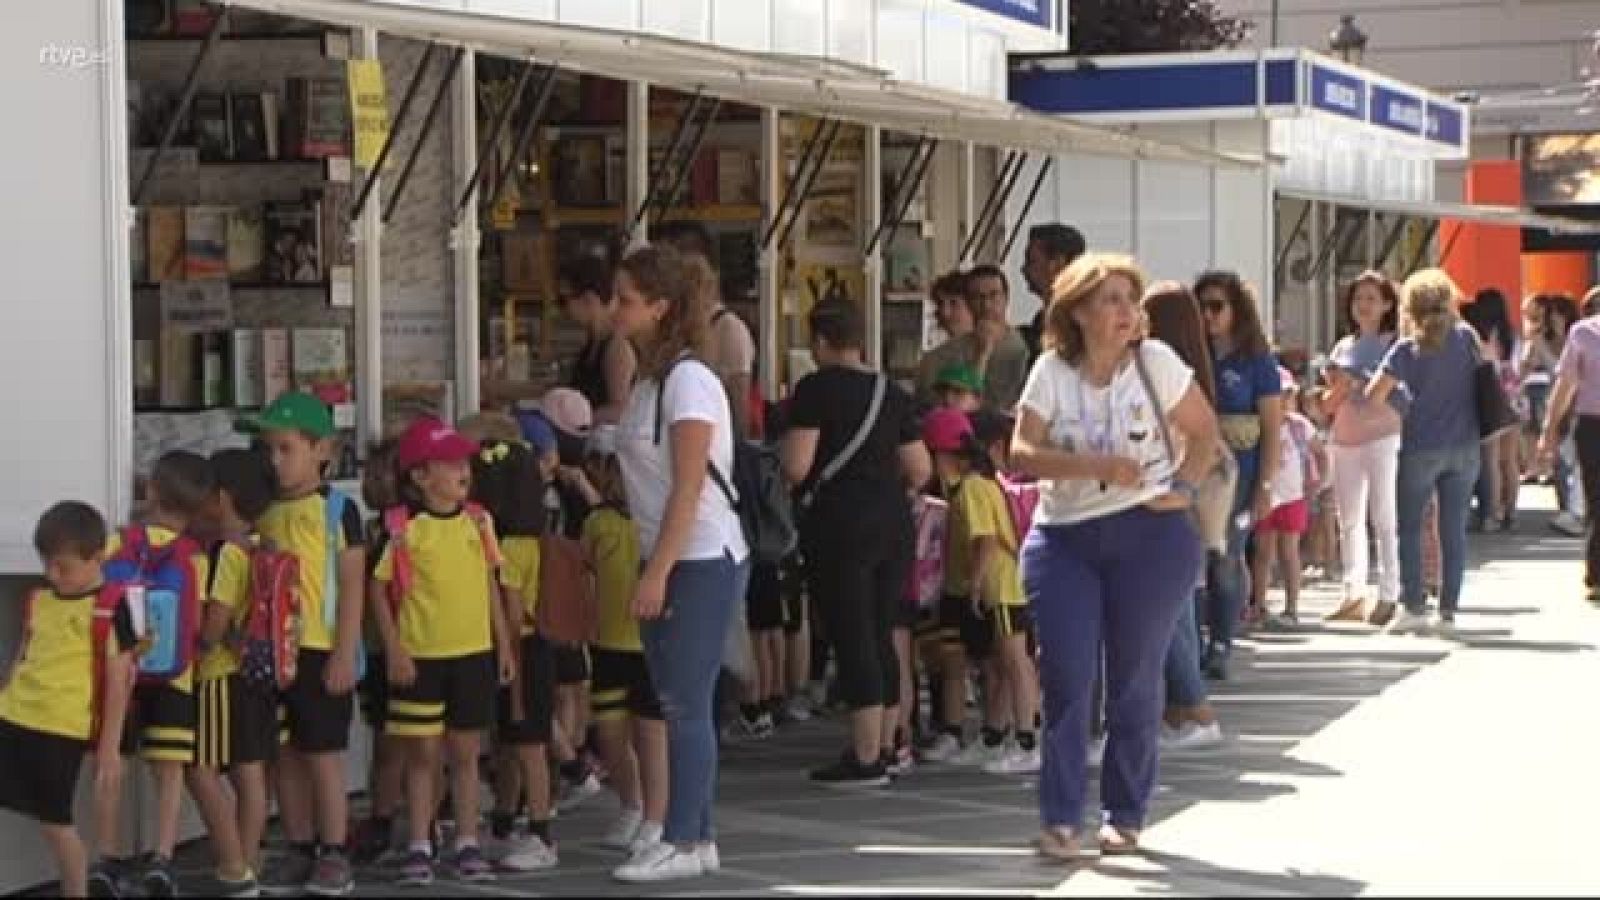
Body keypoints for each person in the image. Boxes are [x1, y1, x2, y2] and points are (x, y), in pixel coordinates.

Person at [1013, 253, 1217, 860]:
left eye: (1132, 299)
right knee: (1069, 677)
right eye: (1111, 300)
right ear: (1077, 312)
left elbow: (1204, 433)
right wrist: (1094, 467)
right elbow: (1021, 452)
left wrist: (1181, 490)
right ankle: (1059, 820)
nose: (1128, 312)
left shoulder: (1156, 363)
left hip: (1150, 537)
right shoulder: (1051, 370)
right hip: (1065, 537)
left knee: (1134, 677)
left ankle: (1123, 815)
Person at [609, 244, 749, 883]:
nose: (617, 311)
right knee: (675, 700)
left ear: (660, 307)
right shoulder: (647, 378)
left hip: (697, 555)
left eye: (627, 300)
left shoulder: (689, 380)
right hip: (669, 552)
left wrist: (657, 571)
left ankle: (684, 838)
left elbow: (689, 487)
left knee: (685, 704)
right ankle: (697, 833)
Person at [783, 298, 930, 786]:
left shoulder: (814, 390)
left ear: (821, 342)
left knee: (852, 633)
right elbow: (921, 468)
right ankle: (887, 743)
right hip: (892, 520)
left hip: (840, 523)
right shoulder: (891, 392)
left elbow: (797, 466)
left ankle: (864, 755)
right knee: (883, 628)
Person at [371, 417, 516, 886]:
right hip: (421, 656)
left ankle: (468, 841)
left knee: (467, 752)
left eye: (463, 462)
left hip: (472, 653)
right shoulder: (403, 530)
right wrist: (394, 648)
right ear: (419, 476)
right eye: (448, 463)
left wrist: (504, 642)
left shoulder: (479, 521)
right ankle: (418, 841)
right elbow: (378, 589)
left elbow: (490, 583)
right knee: (422, 755)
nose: (462, 471)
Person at [244, 391, 366, 896]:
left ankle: (334, 849)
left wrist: (344, 651)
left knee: (323, 754)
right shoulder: (265, 511)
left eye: (286, 448)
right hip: (274, 651)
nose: (275, 460)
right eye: (268, 449)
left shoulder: (338, 509)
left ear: (322, 450)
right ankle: (298, 845)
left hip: (320, 648)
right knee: (286, 752)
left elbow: (354, 582)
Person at [91, 452, 213, 899]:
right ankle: (162, 856)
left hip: (119, 672)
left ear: (151, 491)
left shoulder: (115, 544)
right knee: (170, 770)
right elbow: (195, 622)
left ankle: (106, 856)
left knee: (114, 762)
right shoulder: (193, 558)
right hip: (175, 677)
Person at [2, 503, 137, 899]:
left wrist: (110, 747)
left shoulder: (112, 608)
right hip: (13, 714)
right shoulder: (39, 600)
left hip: (60, 729)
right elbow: (22, 656)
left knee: (53, 820)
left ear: (96, 558)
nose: (50, 574)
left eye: (62, 567)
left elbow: (119, 681)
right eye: (46, 564)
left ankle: (75, 890)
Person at [558, 439, 669, 856]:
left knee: (651, 734)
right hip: (607, 645)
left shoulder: (659, 522)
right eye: (619, 475)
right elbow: (583, 574)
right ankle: (631, 805)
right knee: (610, 732)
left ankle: (656, 816)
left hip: (650, 646)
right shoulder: (597, 522)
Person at [1368, 269, 1483, 636]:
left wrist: (1408, 404)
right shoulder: (1467, 338)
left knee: (1411, 528)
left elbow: (1375, 393)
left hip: (1420, 446)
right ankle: (1448, 609)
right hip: (1465, 445)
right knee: (1453, 530)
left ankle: (1414, 604)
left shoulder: (1407, 348)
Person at [187, 448, 280, 896]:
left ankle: (233, 864)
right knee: (250, 771)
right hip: (257, 673)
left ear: (221, 498)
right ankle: (248, 862)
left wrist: (198, 646)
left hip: (221, 674)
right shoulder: (261, 544)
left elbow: (218, 618)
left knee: (200, 770)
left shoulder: (226, 553)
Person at [929, 408, 1041, 775]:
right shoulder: (983, 482)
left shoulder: (975, 487)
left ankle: (1027, 740)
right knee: (1004, 664)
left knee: (1015, 661)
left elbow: (987, 541)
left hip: (1002, 585)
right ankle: (996, 736)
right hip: (1005, 583)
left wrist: (974, 586)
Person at [472, 433, 561, 873]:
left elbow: (508, 609)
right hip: (534, 647)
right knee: (514, 742)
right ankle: (505, 823)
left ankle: (541, 831)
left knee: (526, 744)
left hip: (517, 651)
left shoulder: (505, 548)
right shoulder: (536, 538)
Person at [1140, 282, 1224, 751]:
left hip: (1167, 501)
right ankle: (1181, 711)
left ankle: (1196, 708)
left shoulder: (1162, 373)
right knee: (1181, 611)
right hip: (1188, 506)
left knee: (1170, 616)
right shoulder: (1197, 372)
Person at [1195, 271, 1283, 679]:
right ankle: (1194, 639)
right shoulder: (1191, 356)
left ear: (1236, 310)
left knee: (1226, 556)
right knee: (1193, 560)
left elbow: (1272, 427)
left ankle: (1221, 642)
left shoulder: (1256, 361)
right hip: (1195, 471)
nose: (1208, 315)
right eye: (1202, 306)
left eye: (1217, 306)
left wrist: (1265, 486)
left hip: (1241, 474)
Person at [1322, 272, 1406, 625]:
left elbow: (1401, 392)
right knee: (1349, 519)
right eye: (1359, 298)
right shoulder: (1343, 347)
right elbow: (1328, 401)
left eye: (1372, 298)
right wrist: (1339, 386)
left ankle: (1389, 590)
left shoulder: (1397, 345)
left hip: (1383, 434)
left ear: (1388, 303)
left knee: (1384, 515)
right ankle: (1352, 590)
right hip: (1344, 436)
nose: (1364, 305)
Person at [351, 437, 406, 866]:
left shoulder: (401, 530)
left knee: (397, 740)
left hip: (403, 644)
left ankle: (386, 816)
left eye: (379, 472)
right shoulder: (373, 528)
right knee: (384, 735)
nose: (370, 480)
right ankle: (381, 811)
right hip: (374, 645)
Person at [1538, 284, 1600, 604]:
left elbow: (1566, 386)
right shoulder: (1582, 333)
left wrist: (1549, 430)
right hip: (1590, 424)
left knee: (1595, 498)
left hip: (1592, 425)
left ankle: (1597, 575)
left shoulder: (1583, 333)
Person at [1251, 369, 1324, 629]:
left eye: (1288, 395)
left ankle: (1291, 607)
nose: (1283, 401)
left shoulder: (1299, 425)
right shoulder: (1258, 425)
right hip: (1266, 496)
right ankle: (1259, 605)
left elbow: (1320, 451)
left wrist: (1318, 482)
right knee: (1263, 552)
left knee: (1289, 553)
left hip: (1293, 496)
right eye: (1279, 395)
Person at [1522, 294, 1585, 536]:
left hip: (1576, 402)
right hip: (1552, 400)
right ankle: (1566, 507)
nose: (1555, 320)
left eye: (1559, 314)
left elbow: (1563, 371)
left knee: (1573, 455)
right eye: (1552, 315)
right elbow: (1526, 366)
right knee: (1560, 456)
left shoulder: (1579, 337)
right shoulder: (1542, 339)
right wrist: (1533, 350)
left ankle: (1575, 509)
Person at [1463, 288, 1522, 531]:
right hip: (1515, 397)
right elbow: (1519, 365)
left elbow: (1483, 362)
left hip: (1491, 397)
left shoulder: (1478, 333)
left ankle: (1493, 513)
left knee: (1491, 459)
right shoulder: (1512, 334)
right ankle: (1511, 511)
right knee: (1510, 460)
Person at [560, 251, 634, 425]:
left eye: (564, 300)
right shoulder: (593, 343)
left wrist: (576, 419)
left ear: (589, 299)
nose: (563, 309)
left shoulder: (617, 348)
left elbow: (620, 409)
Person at [1020, 223, 1087, 363]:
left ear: (1057, 264)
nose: (1023, 269)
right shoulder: (1039, 322)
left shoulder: (1085, 323)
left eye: (1031, 260)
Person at [915, 271, 975, 405]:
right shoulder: (930, 361)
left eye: (954, 304)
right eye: (941, 304)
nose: (945, 312)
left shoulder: (1000, 352)